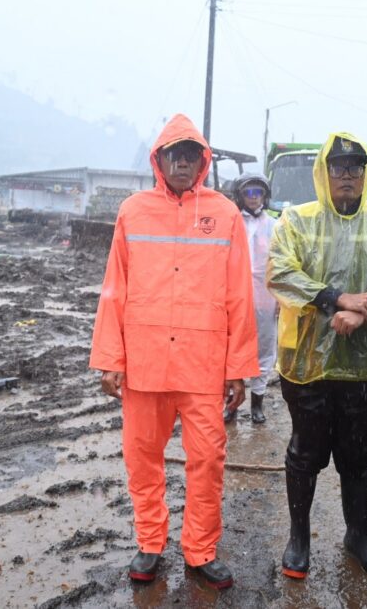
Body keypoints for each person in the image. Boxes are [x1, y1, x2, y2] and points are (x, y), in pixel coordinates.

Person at [89, 113, 260, 590]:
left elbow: (239, 296)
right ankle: (150, 543)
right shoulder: (133, 211)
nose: (183, 162)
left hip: (203, 367)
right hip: (144, 366)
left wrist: (239, 368)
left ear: (202, 161)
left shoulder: (224, 213)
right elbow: (114, 290)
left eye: (191, 155)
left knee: (207, 460)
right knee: (142, 458)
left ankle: (201, 550)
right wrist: (110, 359)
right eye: (174, 154)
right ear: (160, 159)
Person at [266, 132, 367, 581]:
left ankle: (359, 536)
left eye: (356, 167)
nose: (348, 175)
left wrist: (366, 306)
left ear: (365, 173)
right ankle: (299, 538)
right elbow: (280, 272)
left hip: (361, 364)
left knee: (358, 456)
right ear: (324, 172)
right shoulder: (297, 220)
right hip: (306, 364)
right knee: (306, 452)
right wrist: (337, 299)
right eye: (339, 167)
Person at [226, 172, 277, 424]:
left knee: (264, 349)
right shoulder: (231, 222)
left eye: (258, 192)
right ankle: (231, 403)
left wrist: (280, 300)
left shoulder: (276, 226)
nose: (254, 197)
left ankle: (258, 402)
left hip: (265, 298)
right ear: (240, 195)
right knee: (230, 347)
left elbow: (281, 265)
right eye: (249, 192)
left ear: (265, 196)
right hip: (234, 296)